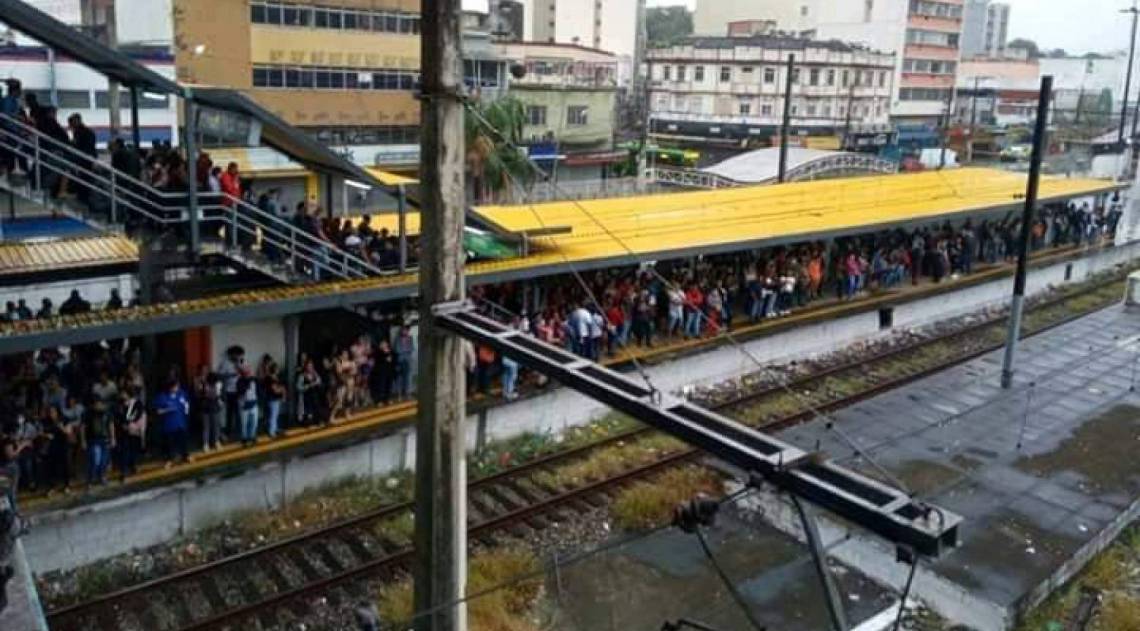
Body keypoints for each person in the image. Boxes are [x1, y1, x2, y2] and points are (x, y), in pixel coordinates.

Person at [153, 379, 190, 467]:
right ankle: (169, 459)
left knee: (183, 441)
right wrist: (168, 410)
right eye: (175, 387)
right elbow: (158, 411)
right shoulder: (162, 397)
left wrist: (186, 409)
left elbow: (186, 404)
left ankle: (185, 456)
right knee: (170, 444)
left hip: (180, 422)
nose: (177, 388)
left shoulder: (181, 394)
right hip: (169, 425)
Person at [80, 398, 114, 487]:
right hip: (93, 440)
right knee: (95, 460)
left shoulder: (107, 413)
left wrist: (113, 438)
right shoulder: (87, 414)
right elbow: (83, 428)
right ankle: (90, 479)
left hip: (104, 439)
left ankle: (102, 477)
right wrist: (83, 441)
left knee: (104, 461)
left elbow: (110, 425)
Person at [114, 387, 145, 482]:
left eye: (124, 394)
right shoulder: (119, 405)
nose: (122, 396)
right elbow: (116, 417)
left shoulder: (136, 403)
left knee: (133, 449)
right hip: (122, 431)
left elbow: (139, 414)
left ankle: (133, 466)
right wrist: (122, 425)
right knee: (124, 451)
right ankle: (123, 471)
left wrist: (133, 424)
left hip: (133, 429)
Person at [194, 365, 224, 451]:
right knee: (206, 427)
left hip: (215, 407)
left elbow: (219, 395)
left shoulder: (217, 385)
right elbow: (199, 394)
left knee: (216, 426)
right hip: (205, 408)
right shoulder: (202, 384)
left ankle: (216, 442)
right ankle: (205, 444)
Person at [236, 366, 259, 446]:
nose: (249, 374)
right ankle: (244, 438)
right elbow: (240, 391)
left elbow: (258, 389)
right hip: (244, 405)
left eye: (249, 372)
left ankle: (252, 436)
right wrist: (247, 383)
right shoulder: (240, 381)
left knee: (254, 422)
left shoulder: (254, 380)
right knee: (244, 423)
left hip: (253, 404)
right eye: (246, 373)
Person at [393, 323, 415, 399]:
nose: (405, 331)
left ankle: (407, 393)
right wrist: (406, 350)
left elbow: (412, 349)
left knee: (408, 377)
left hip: (408, 361)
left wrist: (404, 350)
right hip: (400, 361)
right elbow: (397, 350)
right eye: (403, 330)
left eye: (406, 330)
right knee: (399, 378)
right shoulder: (397, 339)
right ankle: (399, 394)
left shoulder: (411, 338)